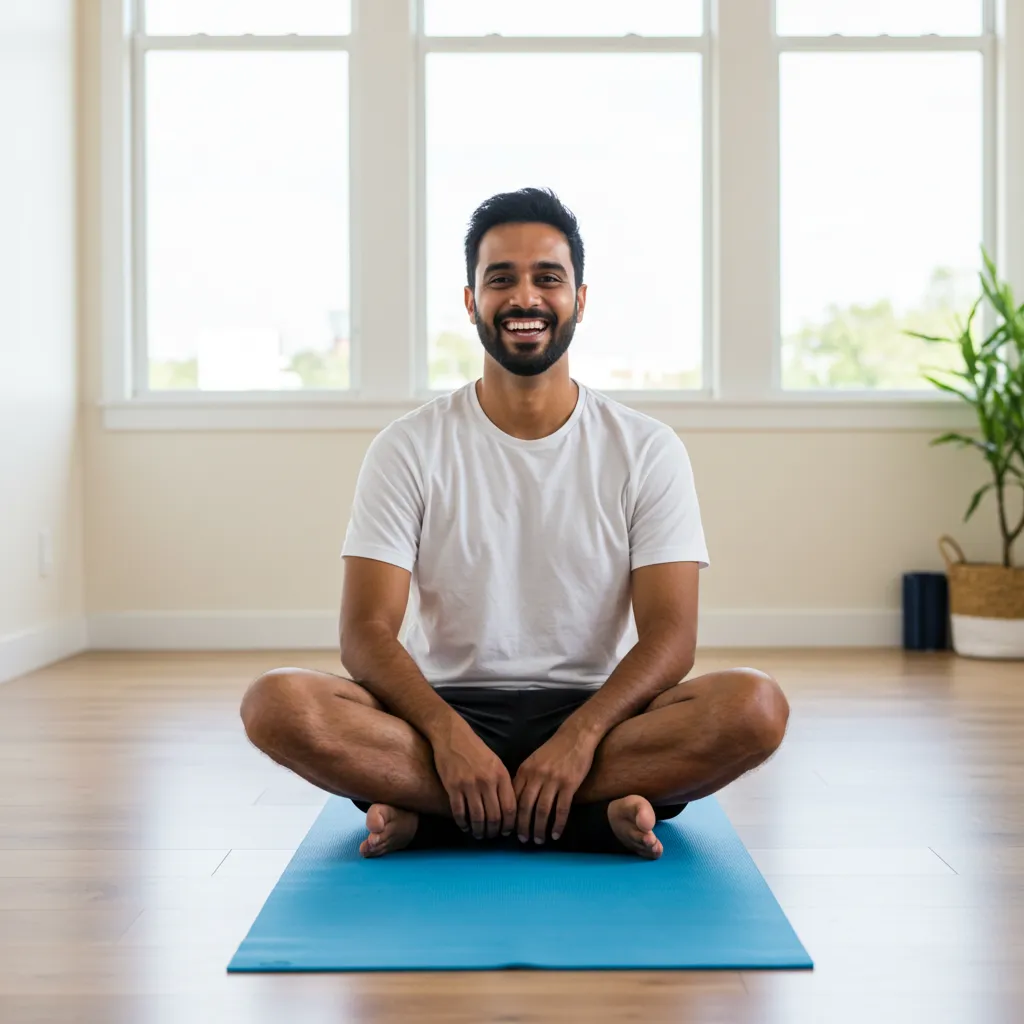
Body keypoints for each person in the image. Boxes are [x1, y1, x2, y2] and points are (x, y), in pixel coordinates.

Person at [241, 187, 789, 860]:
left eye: (547, 279)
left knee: (755, 707)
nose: (525, 298)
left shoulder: (647, 448)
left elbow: (672, 638)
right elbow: (365, 633)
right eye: (501, 280)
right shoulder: (408, 446)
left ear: (579, 300)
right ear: (472, 302)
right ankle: (585, 817)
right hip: (440, 712)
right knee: (276, 705)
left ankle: (439, 815)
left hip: (600, 714)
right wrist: (446, 736)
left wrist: (580, 738)